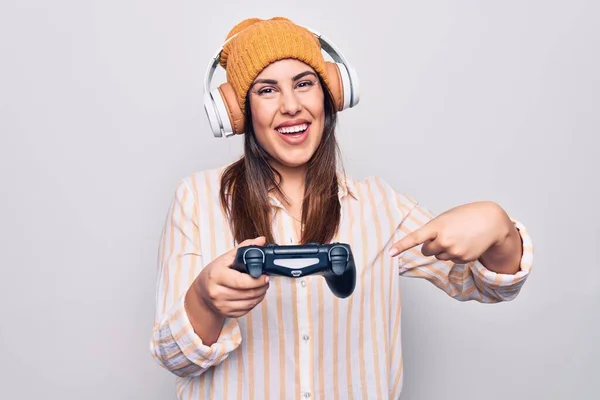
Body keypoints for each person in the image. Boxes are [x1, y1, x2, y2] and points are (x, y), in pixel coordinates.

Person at [149, 16, 534, 400]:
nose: (291, 106)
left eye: (304, 84)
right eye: (267, 91)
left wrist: (498, 228)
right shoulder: (197, 199)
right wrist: (203, 300)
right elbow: (174, 357)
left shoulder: (380, 206)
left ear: (331, 93)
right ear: (239, 111)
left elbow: (486, 285)